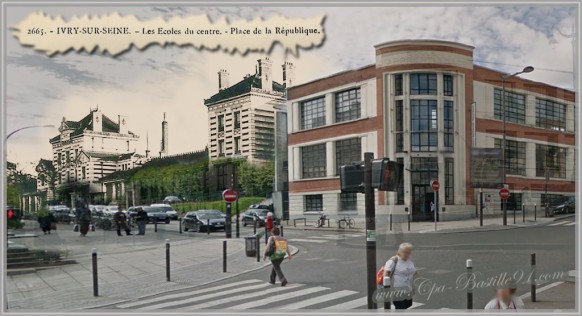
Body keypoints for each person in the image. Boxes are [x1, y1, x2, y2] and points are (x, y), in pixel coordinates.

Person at [384, 242, 417, 309]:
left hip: (408, 290)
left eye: (409, 252)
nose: (408, 254)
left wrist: (414, 286)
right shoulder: (394, 260)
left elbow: (414, 273)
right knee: (400, 308)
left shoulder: (409, 262)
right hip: (397, 291)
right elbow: (386, 274)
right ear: (400, 252)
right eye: (406, 252)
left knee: (408, 304)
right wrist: (386, 287)